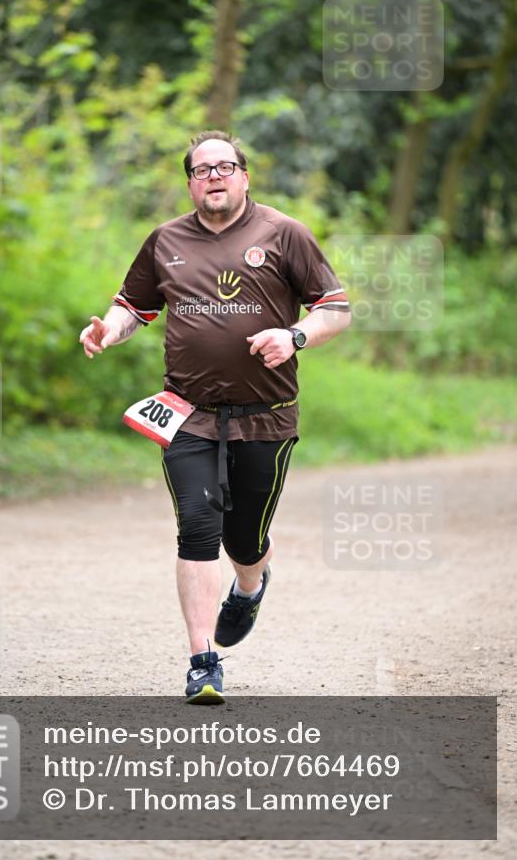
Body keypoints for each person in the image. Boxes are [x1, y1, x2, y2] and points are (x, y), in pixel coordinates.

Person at [79, 130, 351, 704]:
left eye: (225, 166)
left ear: (244, 176)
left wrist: (294, 335)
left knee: (244, 539)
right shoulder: (165, 240)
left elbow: (336, 309)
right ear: (190, 183)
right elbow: (135, 307)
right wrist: (109, 329)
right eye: (202, 170)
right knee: (197, 528)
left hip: (267, 415)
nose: (214, 177)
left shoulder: (284, 234)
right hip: (186, 412)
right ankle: (204, 660)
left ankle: (249, 586)